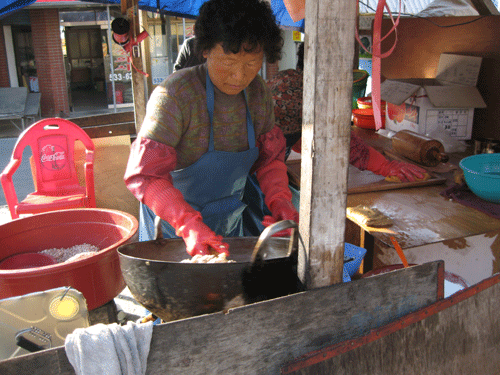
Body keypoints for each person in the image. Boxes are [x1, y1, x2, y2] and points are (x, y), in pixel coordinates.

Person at [124, 0, 297, 257]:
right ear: (204, 49)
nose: (239, 76)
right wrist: (188, 225)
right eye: (228, 62)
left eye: (251, 64)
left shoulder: (258, 92)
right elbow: (145, 175)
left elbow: (269, 161)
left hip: (229, 223)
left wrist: (280, 200)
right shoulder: (175, 94)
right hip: (174, 231)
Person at [267, 42, 428, 182]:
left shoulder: (287, 78)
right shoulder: (302, 92)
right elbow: (341, 142)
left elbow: (296, 134)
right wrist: (385, 166)